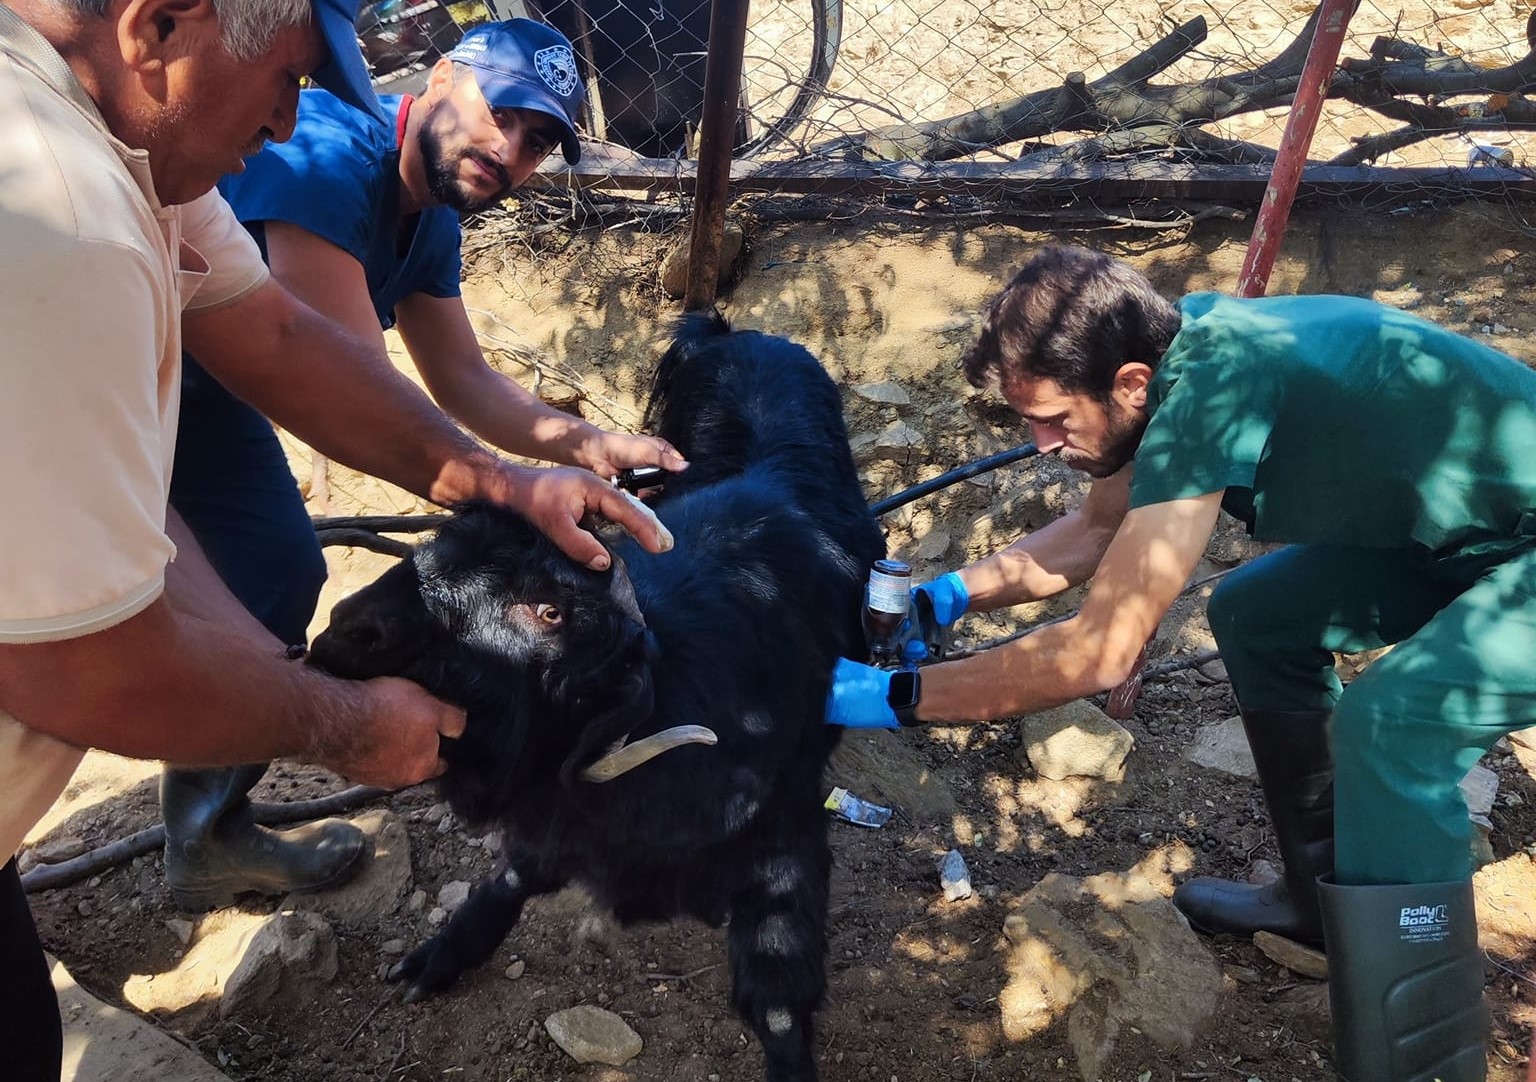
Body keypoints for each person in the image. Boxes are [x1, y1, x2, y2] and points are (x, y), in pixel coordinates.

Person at [0, 0, 670, 1075]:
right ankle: (209, 820)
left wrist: (530, 465)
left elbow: (295, 339)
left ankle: (208, 817)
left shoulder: (132, 152)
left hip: (159, 384)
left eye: (544, 140)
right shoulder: (67, 219)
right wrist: (348, 727)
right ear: (163, 25)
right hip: (171, 402)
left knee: (266, 568)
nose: (281, 122)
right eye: (285, 80)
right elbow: (82, 664)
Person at [826, 245, 1524, 1082]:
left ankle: (1420, 1063)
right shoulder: (1166, 368)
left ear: (1127, 382)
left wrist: (891, 696)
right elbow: (1094, 533)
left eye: (1053, 418)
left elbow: (1100, 649)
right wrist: (947, 597)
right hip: (1464, 537)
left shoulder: (1209, 392)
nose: (1039, 444)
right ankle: (1322, 906)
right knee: (1256, 613)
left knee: (1396, 721)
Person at [160, 16, 687, 914]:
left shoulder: (431, 208)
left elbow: (465, 382)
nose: (511, 150)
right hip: (145, 377)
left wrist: (591, 446)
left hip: (211, 406)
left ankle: (205, 838)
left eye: (539, 141)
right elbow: (351, 389)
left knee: (276, 569)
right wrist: (508, 486)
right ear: (441, 77)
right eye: (504, 113)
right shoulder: (325, 155)